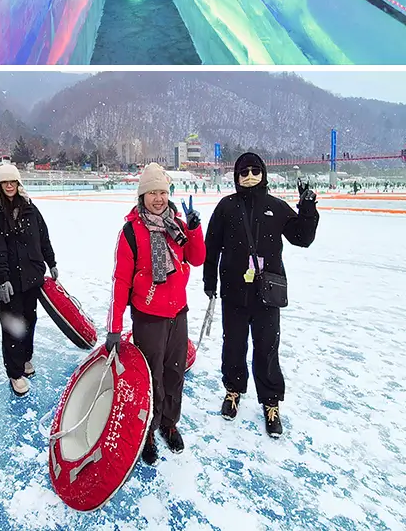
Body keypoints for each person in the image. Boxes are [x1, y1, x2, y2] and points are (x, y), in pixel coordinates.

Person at [203, 153, 319, 437]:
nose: (250, 175)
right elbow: (211, 247)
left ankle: (271, 402)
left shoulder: (276, 207)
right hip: (234, 291)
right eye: (244, 171)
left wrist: (307, 208)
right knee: (234, 346)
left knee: (267, 348)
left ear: (264, 174)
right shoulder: (226, 207)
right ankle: (233, 390)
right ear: (236, 176)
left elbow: (302, 238)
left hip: (267, 294)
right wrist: (210, 283)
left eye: (256, 170)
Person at [105, 163, 206, 465]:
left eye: (162, 191)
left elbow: (197, 258)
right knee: (152, 377)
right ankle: (148, 429)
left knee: (175, 372)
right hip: (148, 315)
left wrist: (195, 228)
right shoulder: (131, 232)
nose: (159, 198)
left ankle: (168, 423)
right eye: (152, 193)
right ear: (142, 196)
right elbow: (121, 280)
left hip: (178, 312)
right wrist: (114, 326)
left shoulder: (177, 225)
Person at [0, 163, 57, 397]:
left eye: (13, 182)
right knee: (13, 328)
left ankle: (25, 358)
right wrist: (3, 278)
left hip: (31, 278)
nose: (9, 186)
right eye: (5, 182)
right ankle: (15, 373)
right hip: (10, 282)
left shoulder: (30, 208)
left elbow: (43, 237)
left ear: (18, 184)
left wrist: (51, 262)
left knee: (29, 321)